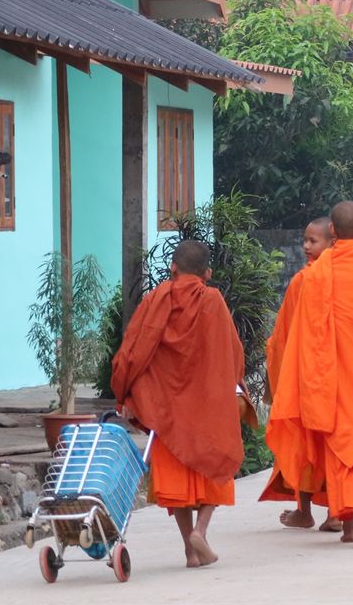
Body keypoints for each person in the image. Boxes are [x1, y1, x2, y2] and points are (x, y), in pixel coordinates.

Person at [267, 201, 353, 547]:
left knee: (342, 441)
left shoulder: (315, 274)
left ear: (332, 234)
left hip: (332, 377)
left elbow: (305, 333)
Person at [111, 240, 245, 568]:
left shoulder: (156, 298)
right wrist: (236, 384)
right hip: (207, 404)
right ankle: (201, 530)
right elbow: (233, 351)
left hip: (166, 406)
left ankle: (189, 548)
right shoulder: (213, 299)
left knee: (178, 476)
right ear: (208, 273)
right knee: (218, 459)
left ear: (173, 267)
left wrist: (125, 394)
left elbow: (134, 351)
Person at [260, 217, 332, 529]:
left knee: (307, 446)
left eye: (313, 241)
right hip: (321, 376)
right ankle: (330, 513)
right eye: (305, 240)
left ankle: (309, 511)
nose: (305, 246)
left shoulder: (310, 280)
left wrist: (276, 365)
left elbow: (283, 338)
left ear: (332, 243)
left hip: (308, 376)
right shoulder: (314, 278)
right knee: (320, 446)